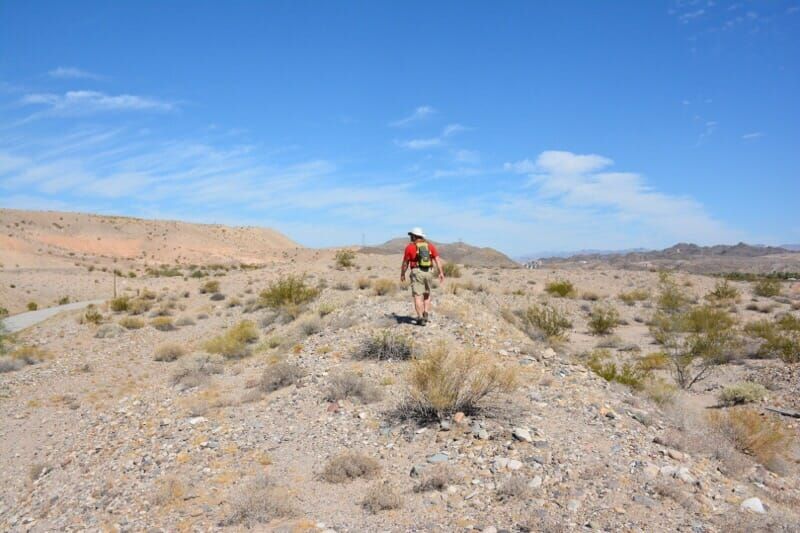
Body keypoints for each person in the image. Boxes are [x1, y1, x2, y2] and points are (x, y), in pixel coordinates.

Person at [400, 227, 444, 325]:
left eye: (411, 235)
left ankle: (420, 318)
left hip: (417, 272)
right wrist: (441, 272)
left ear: (414, 236)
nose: (410, 237)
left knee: (417, 296)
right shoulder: (430, 246)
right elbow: (437, 260)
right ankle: (426, 313)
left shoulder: (409, 247)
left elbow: (405, 263)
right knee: (427, 294)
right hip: (429, 272)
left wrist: (402, 273)